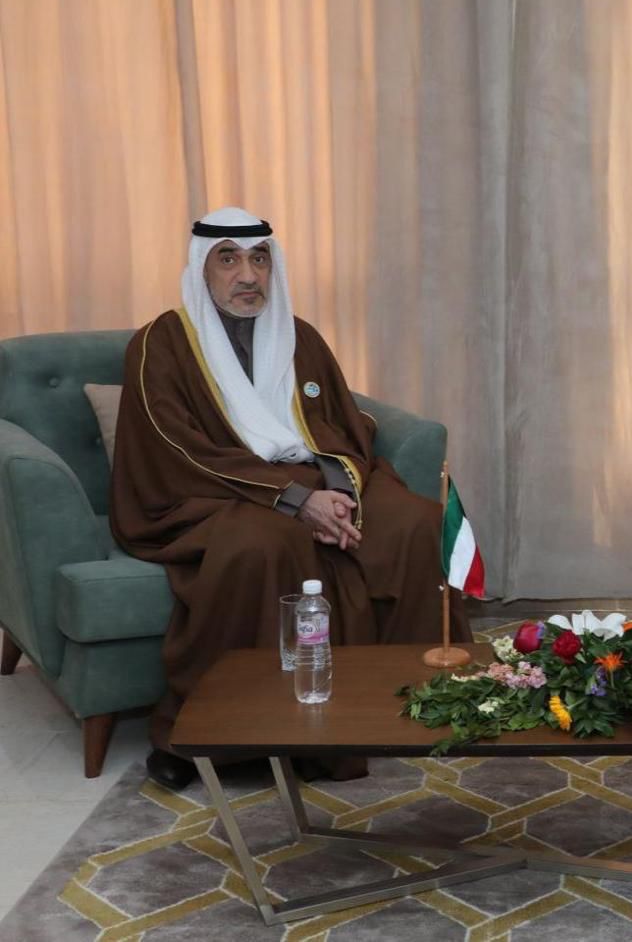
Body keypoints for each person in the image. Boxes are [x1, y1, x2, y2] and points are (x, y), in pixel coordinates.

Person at [111, 206, 472, 791]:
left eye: (259, 259)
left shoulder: (299, 336)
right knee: (265, 547)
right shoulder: (160, 344)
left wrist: (335, 493)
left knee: (416, 524)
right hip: (210, 490)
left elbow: (343, 424)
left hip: (314, 478)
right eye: (229, 259)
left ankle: (408, 703)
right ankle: (214, 734)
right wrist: (294, 500)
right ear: (201, 268)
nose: (247, 275)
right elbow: (177, 448)